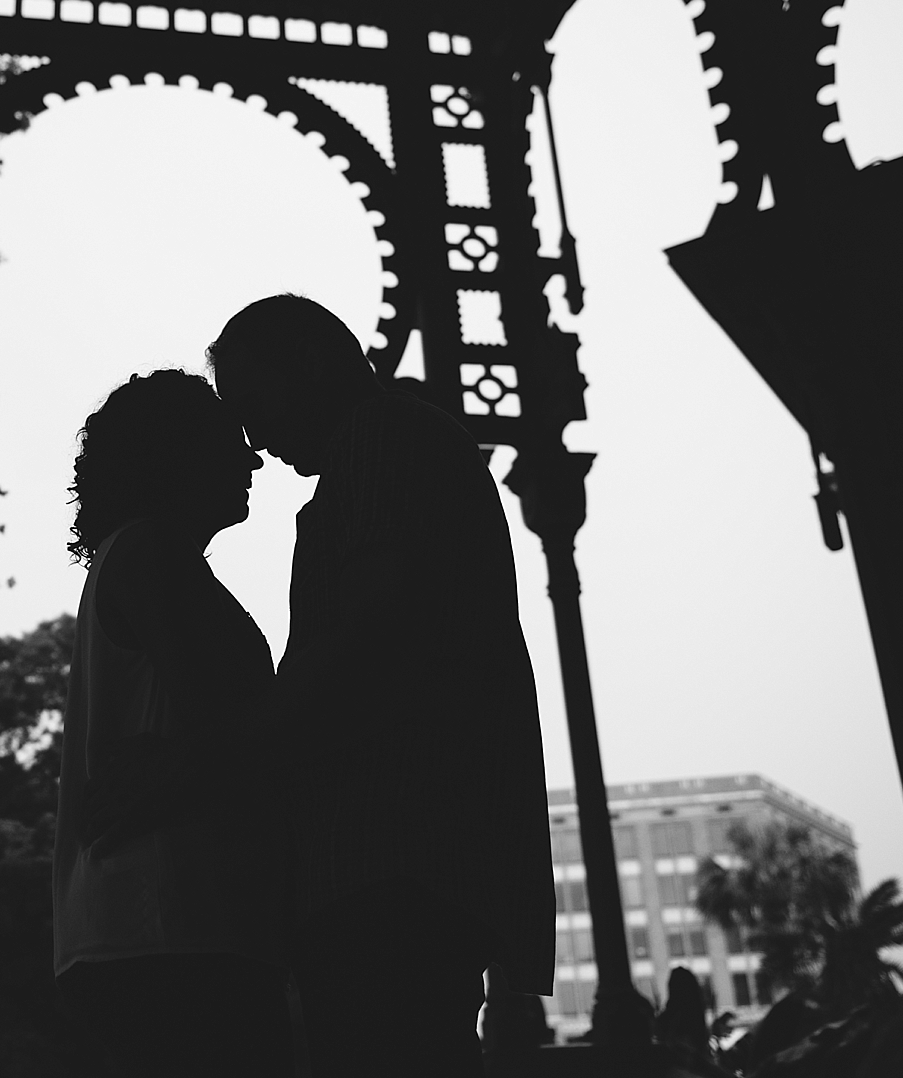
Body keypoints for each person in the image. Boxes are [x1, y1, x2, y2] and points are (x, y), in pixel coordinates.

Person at [207, 294, 555, 1077]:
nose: (254, 440)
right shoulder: (413, 443)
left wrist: (235, 751)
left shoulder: (380, 440)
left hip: (385, 856)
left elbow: (363, 629)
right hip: (424, 855)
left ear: (305, 365)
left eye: (252, 405)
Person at [52, 369, 293, 1077]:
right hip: (172, 921)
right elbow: (230, 725)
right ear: (174, 454)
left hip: (153, 924)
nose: (250, 460)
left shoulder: (137, 558)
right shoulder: (150, 553)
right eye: (227, 442)